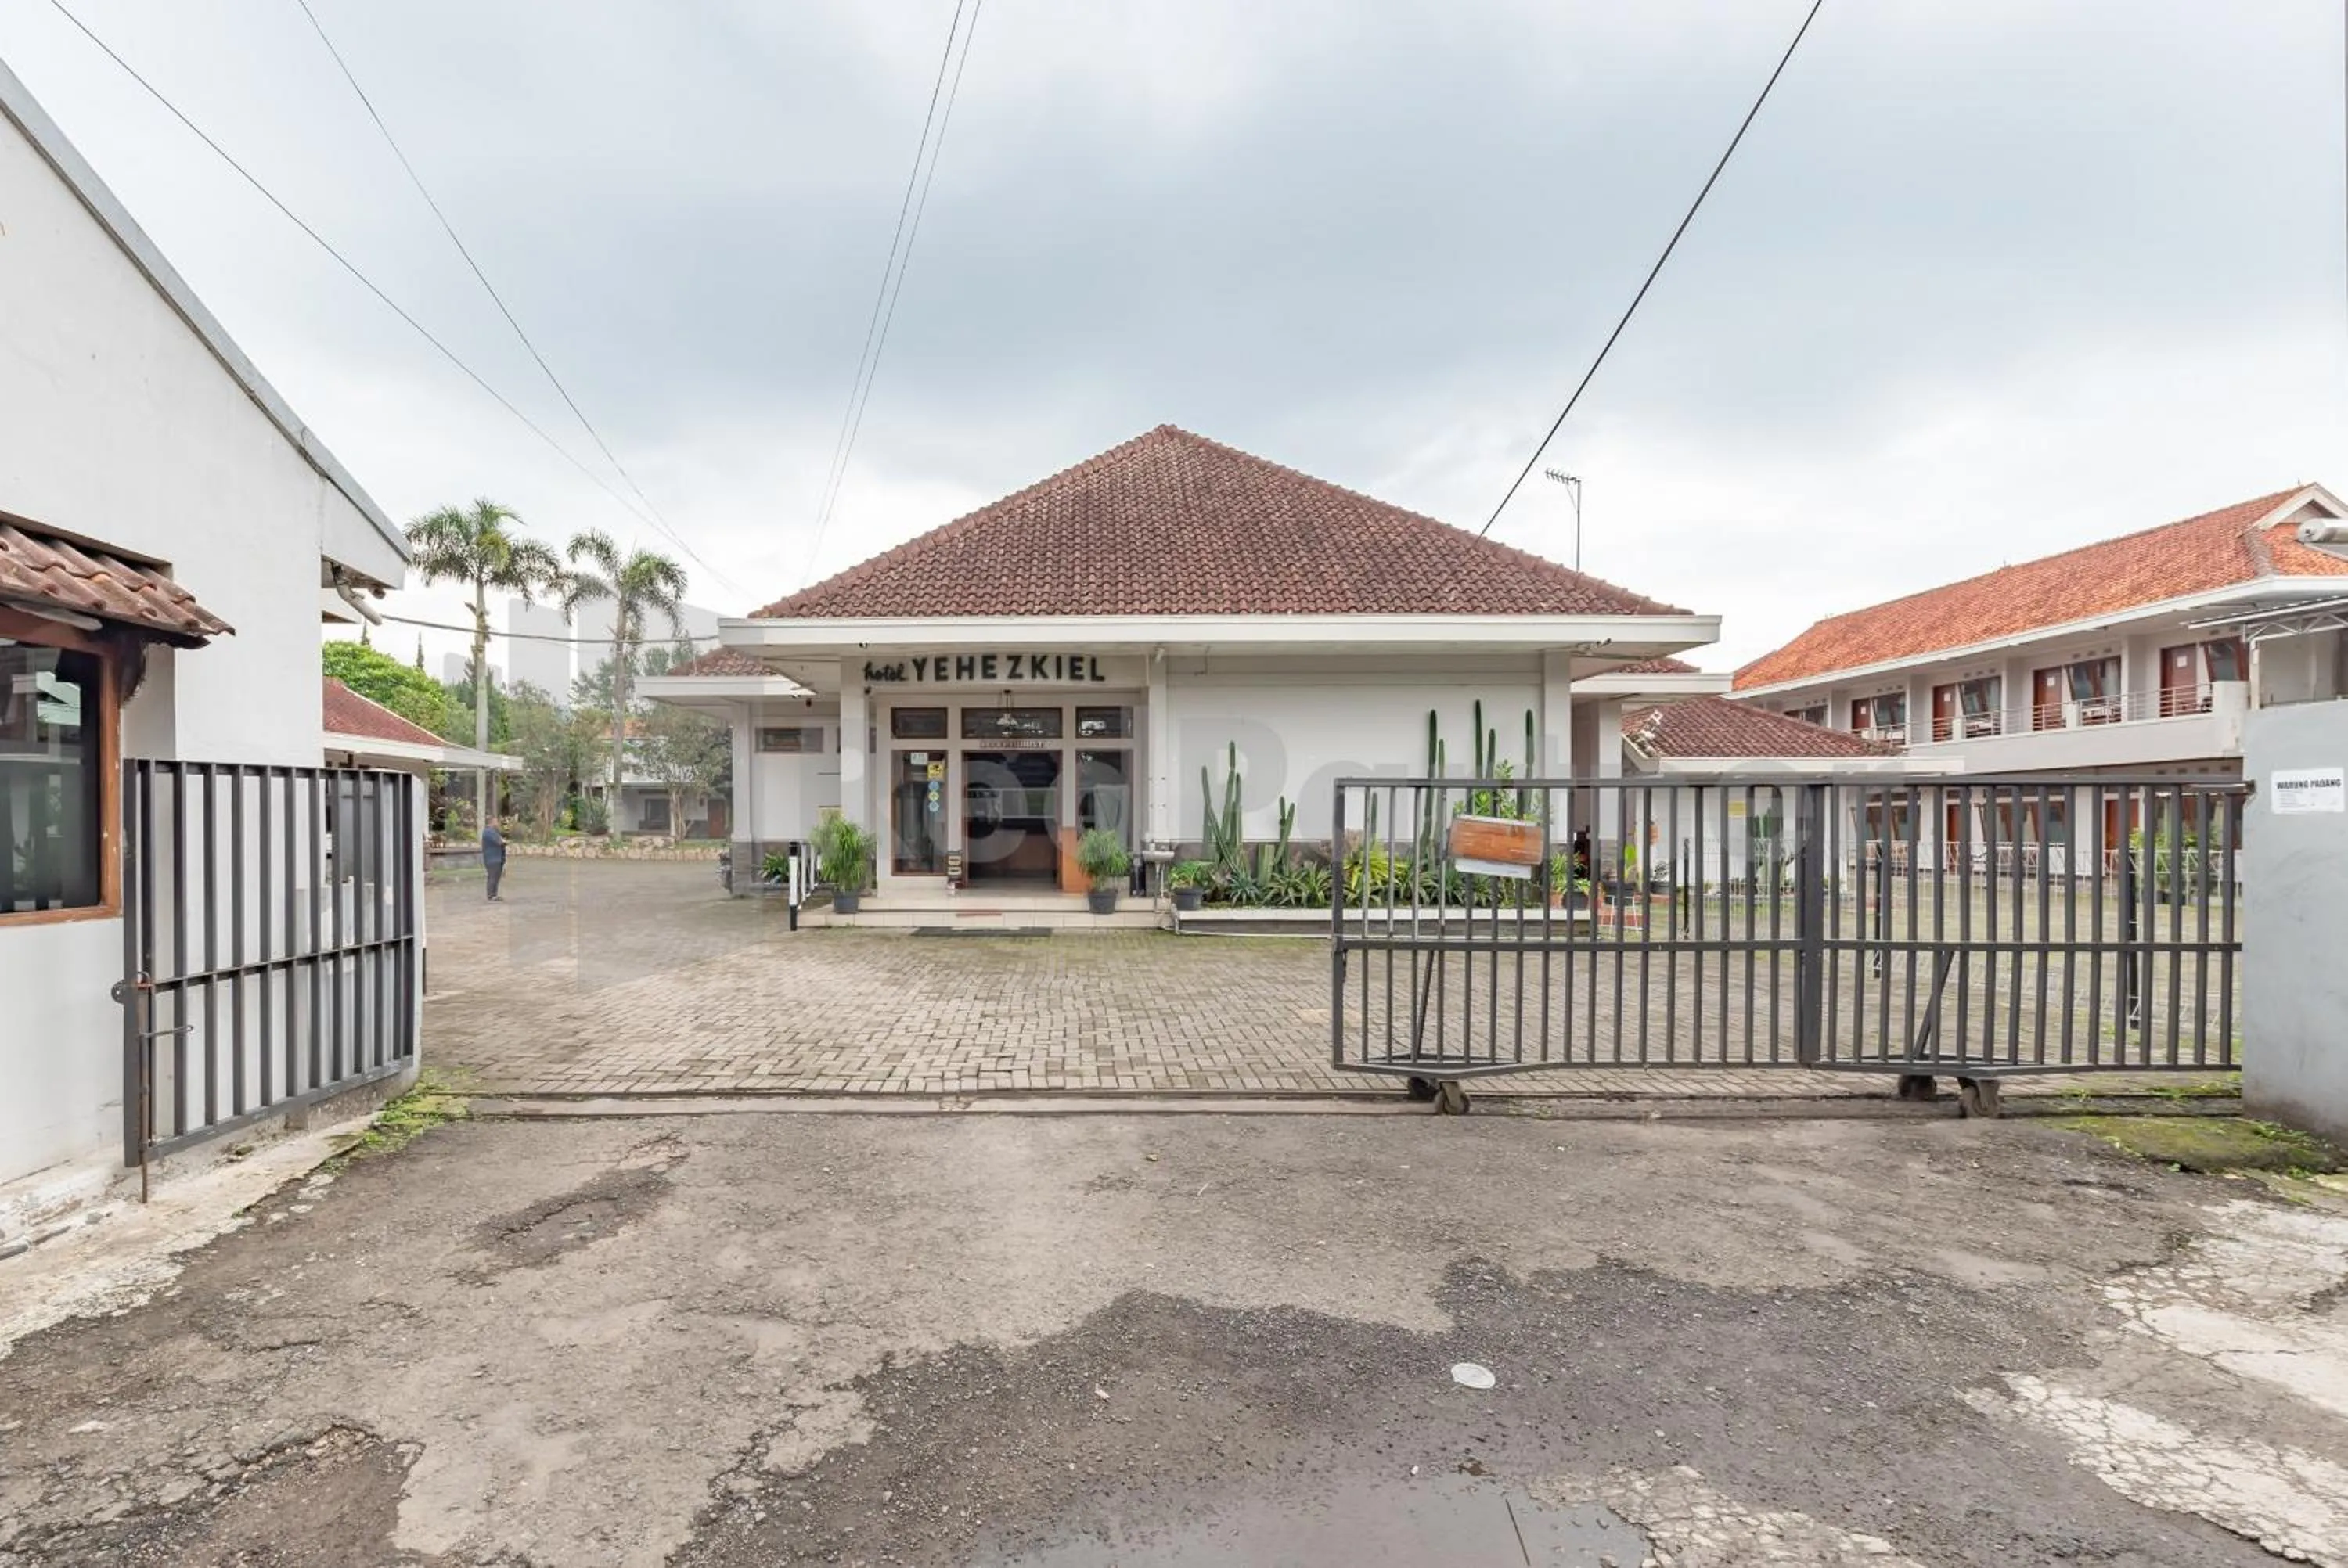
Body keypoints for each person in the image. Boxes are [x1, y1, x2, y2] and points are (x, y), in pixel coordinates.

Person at [481, 818, 507, 902]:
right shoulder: (488, 832)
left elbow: (502, 841)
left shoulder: (495, 832)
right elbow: (499, 842)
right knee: (492, 877)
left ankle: (494, 895)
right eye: (496, 822)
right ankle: (491, 895)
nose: (497, 823)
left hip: (498, 858)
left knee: (497, 877)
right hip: (492, 859)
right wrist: (503, 841)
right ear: (491, 822)